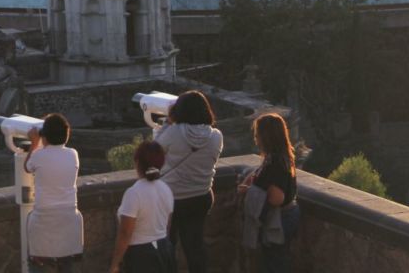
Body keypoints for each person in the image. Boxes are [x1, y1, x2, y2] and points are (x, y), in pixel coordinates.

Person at [153, 90, 224, 273]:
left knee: (168, 243)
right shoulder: (216, 136)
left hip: (172, 197)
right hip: (201, 195)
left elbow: (154, 150)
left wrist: (168, 122)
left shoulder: (173, 132)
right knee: (195, 245)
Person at [238, 113, 298, 273]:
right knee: (276, 260)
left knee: (274, 262)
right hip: (287, 215)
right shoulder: (281, 158)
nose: (255, 139)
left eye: (257, 134)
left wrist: (249, 191)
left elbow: (277, 198)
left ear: (266, 137)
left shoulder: (275, 163)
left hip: (279, 219)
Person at [24, 113, 83, 271]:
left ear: (45, 135)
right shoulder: (73, 154)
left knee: (39, 267)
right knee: (66, 265)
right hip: (69, 219)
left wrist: (34, 143)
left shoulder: (38, 156)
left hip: (44, 220)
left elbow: (27, 167)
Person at [108, 140, 175, 273]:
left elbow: (125, 233)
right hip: (164, 249)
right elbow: (167, 225)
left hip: (141, 255)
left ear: (137, 163)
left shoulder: (133, 193)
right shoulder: (166, 189)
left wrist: (115, 263)